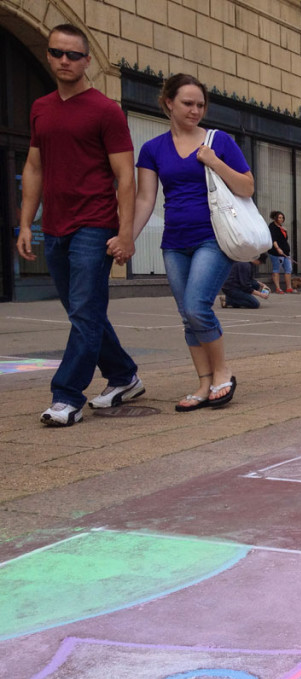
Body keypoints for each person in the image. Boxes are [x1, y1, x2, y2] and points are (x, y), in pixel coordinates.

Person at [17, 24, 144, 426]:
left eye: (74, 55)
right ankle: (124, 375)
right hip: (54, 226)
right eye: (57, 53)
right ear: (50, 55)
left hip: (94, 224)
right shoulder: (41, 107)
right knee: (82, 312)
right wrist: (25, 224)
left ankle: (66, 396)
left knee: (85, 312)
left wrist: (125, 233)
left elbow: (125, 176)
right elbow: (34, 166)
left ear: (88, 59)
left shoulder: (106, 110)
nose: (64, 61)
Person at [134, 73, 253, 412]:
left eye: (200, 104)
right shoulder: (152, 149)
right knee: (187, 315)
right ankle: (204, 383)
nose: (195, 110)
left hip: (212, 238)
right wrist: (126, 237)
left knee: (197, 306)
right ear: (168, 102)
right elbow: (145, 199)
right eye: (188, 103)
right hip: (174, 241)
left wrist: (215, 162)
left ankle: (222, 372)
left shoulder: (219, 141)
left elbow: (247, 187)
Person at [267, 211, 293, 293]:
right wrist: (277, 248)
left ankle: (289, 287)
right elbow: (273, 239)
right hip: (276, 252)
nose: (281, 219)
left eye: (282, 218)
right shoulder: (272, 226)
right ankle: (278, 288)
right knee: (276, 269)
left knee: (288, 269)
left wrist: (285, 231)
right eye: (279, 217)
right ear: (275, 218)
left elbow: (284, 239)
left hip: (285, 252)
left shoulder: (281, 227)